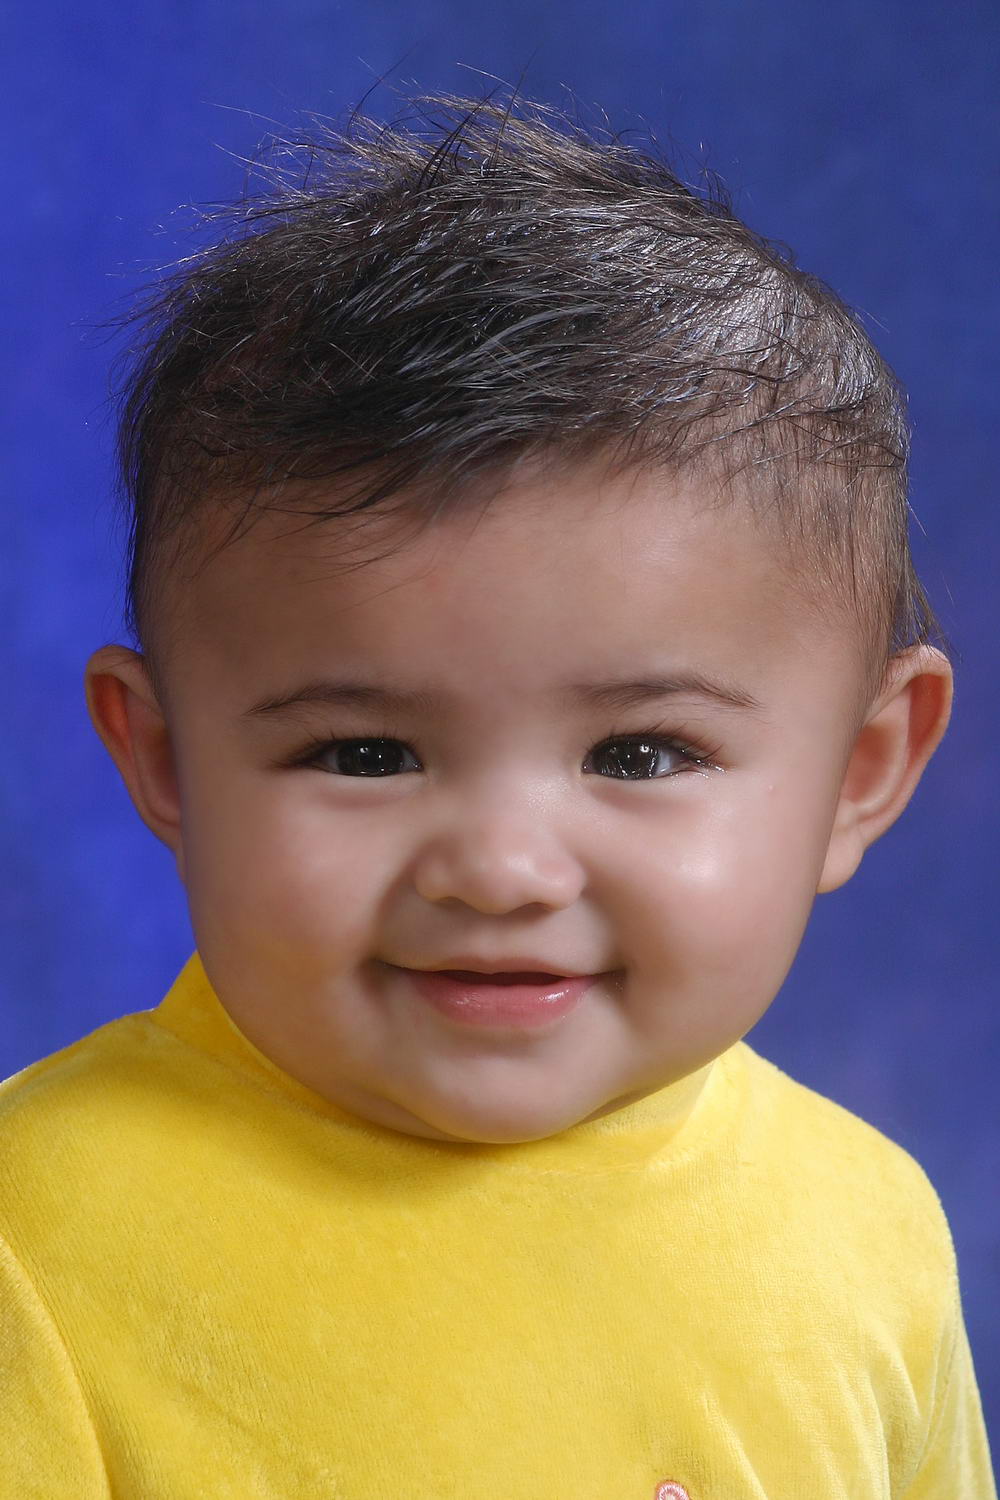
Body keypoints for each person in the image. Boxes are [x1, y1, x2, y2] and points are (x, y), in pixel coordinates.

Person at [1, 88, 994, 1498]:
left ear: (861, 771)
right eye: (365, 754)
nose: (503, 869)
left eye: (640, 755)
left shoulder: (870, 1227)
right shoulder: (38, 1242)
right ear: (164, 760)